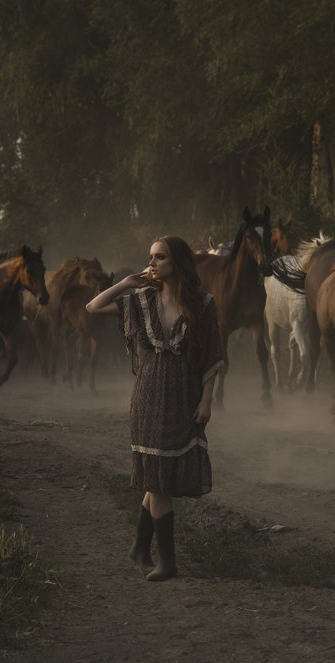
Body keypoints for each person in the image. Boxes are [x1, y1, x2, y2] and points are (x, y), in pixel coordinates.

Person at [86, 235, 224, 581]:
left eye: (160, 257)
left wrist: (206, 399)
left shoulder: (203, 304)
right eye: (151, 257)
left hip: (184, 396)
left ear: (177, 261)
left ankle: (139, 547)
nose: (152, 263)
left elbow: (213, 355)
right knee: (158, 479)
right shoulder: (142, 300)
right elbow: (93, 307)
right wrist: (126, 283)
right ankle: (168, 562)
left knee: (159, 477)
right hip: (148, 396)